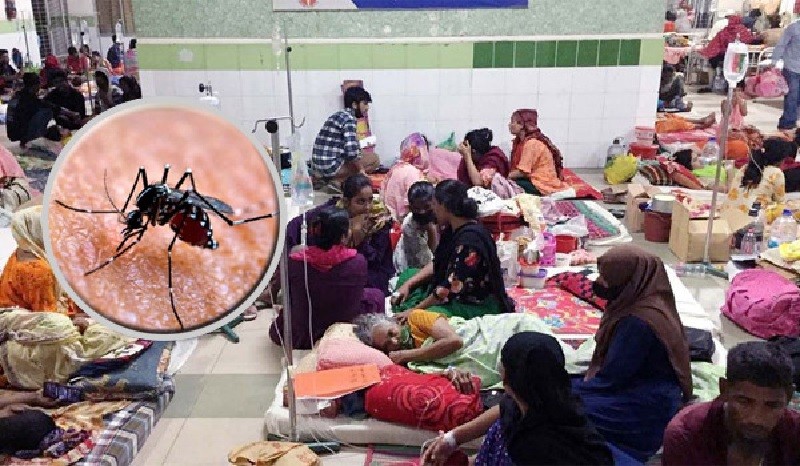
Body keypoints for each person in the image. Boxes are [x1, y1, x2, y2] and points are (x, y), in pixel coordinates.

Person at [420, 332, 618, 466]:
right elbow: (503, 409)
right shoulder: (531, 403)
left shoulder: (539, 447)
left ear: (509, 377)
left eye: (503, 361)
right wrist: (452, 440)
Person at [572, 245, 692, 463]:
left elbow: (611, 378)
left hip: (646, 405)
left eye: (607, 279)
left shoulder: (638, 322)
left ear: (629, 280)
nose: (600, 283)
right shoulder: (650, 299)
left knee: (562, 407)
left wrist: (566, 390)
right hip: (642, 386)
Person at [354, 309, 576, 389]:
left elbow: (455, 341)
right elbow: (437, 371)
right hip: (487, 355)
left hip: (498, 333)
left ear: (396, 322)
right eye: (387, 345)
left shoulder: (416, 318)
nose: (394, 342)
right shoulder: (407, 364)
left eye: (391, 333)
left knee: (557, 357)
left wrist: (407, 355)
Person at [663, 341, 800, 465]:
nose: (756, 418)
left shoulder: (794, 433)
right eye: (744, 402)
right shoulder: (686, 435)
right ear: (724, 390)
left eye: (772, 405)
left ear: (788, 397)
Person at [393, 180, 514, 320]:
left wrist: (414, 311)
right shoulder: (452, 229)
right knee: (408, 276)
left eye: (434, 204)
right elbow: (438, 262)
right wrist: (409, 284)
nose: (433, 210)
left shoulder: (469, 242)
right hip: (450, 288)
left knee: (423, 318)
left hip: (473, 302)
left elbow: (448, 288)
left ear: (444, 206)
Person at [269, 206, 384, 350]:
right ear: (344, 236)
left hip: (303, 337)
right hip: (344, 333)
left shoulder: (295, 262)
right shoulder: (358, 262)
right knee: (376, 296)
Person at [286, 174, 394, 294]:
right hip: (334, 264)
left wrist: (360, 241)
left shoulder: (379, 220)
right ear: (347, 202)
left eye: (370, 200)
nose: (368, 207)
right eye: (361, 201)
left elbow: (376, 260)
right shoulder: (334, 212)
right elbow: (296, 224)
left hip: (369, 271)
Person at [0, 205, 68, 313]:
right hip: (33, 317)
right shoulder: (38, 270)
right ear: (39, 231)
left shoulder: (22, 251)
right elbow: (46, 313)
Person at [311, 86, 379, 193]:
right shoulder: (349, 120)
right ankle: (337, 181)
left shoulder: (338, 115)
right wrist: (361, 170)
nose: (367, 108)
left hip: (318, 167)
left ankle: (324, 180)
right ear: (354, 105)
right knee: (374, 159)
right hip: (330, 167)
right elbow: (351, 153)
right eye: (365, 104)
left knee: (361, 153)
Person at [6, 73, 78, 148]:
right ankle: (31, 139)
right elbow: (49, 107)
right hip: (19, 132)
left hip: (12, 131)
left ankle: (26, 139)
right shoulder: (28, 99)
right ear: (35, 85)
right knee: (46, 112)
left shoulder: (19, 95)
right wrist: (69, 113)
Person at [507, 109, 569, 195]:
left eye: (512, 122)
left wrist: (506, 176)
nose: (509, 125)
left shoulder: (531, 143)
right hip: (532, 178)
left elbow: (523, 172)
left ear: (521, 125)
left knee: (508, 184)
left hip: (542, 182)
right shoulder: (519, 142)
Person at [723, 138, 791, 214]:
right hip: (755, 216)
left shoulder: (744, 168)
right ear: (781, 159)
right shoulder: (776, 173)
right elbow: (780, 201)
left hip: (729, 213)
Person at [380, 132, 429, 221]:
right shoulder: (413, 173)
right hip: (404, 222)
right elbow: (416, 206)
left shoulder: (395, 168)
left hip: (389, 220)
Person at [393, 181, 437, 272]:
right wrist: (431, 230)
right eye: (417, 209)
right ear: (410, 207)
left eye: (426, 207)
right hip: (413, 269)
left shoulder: (440, 214)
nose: (422, 212)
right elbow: (429, 263)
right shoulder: (410, 226)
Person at [457, 128, 514, 194]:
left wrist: (467, 156)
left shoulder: (493, 158)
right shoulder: (470, 158)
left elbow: (478, 183)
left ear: (473, 151)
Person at [774, 17, 800, 131]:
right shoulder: (793, 28)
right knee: (792, 96)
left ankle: (791, 119)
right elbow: (781, 44)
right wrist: (774, 61)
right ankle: (788, 123)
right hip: (791, 67)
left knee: (797, 98)